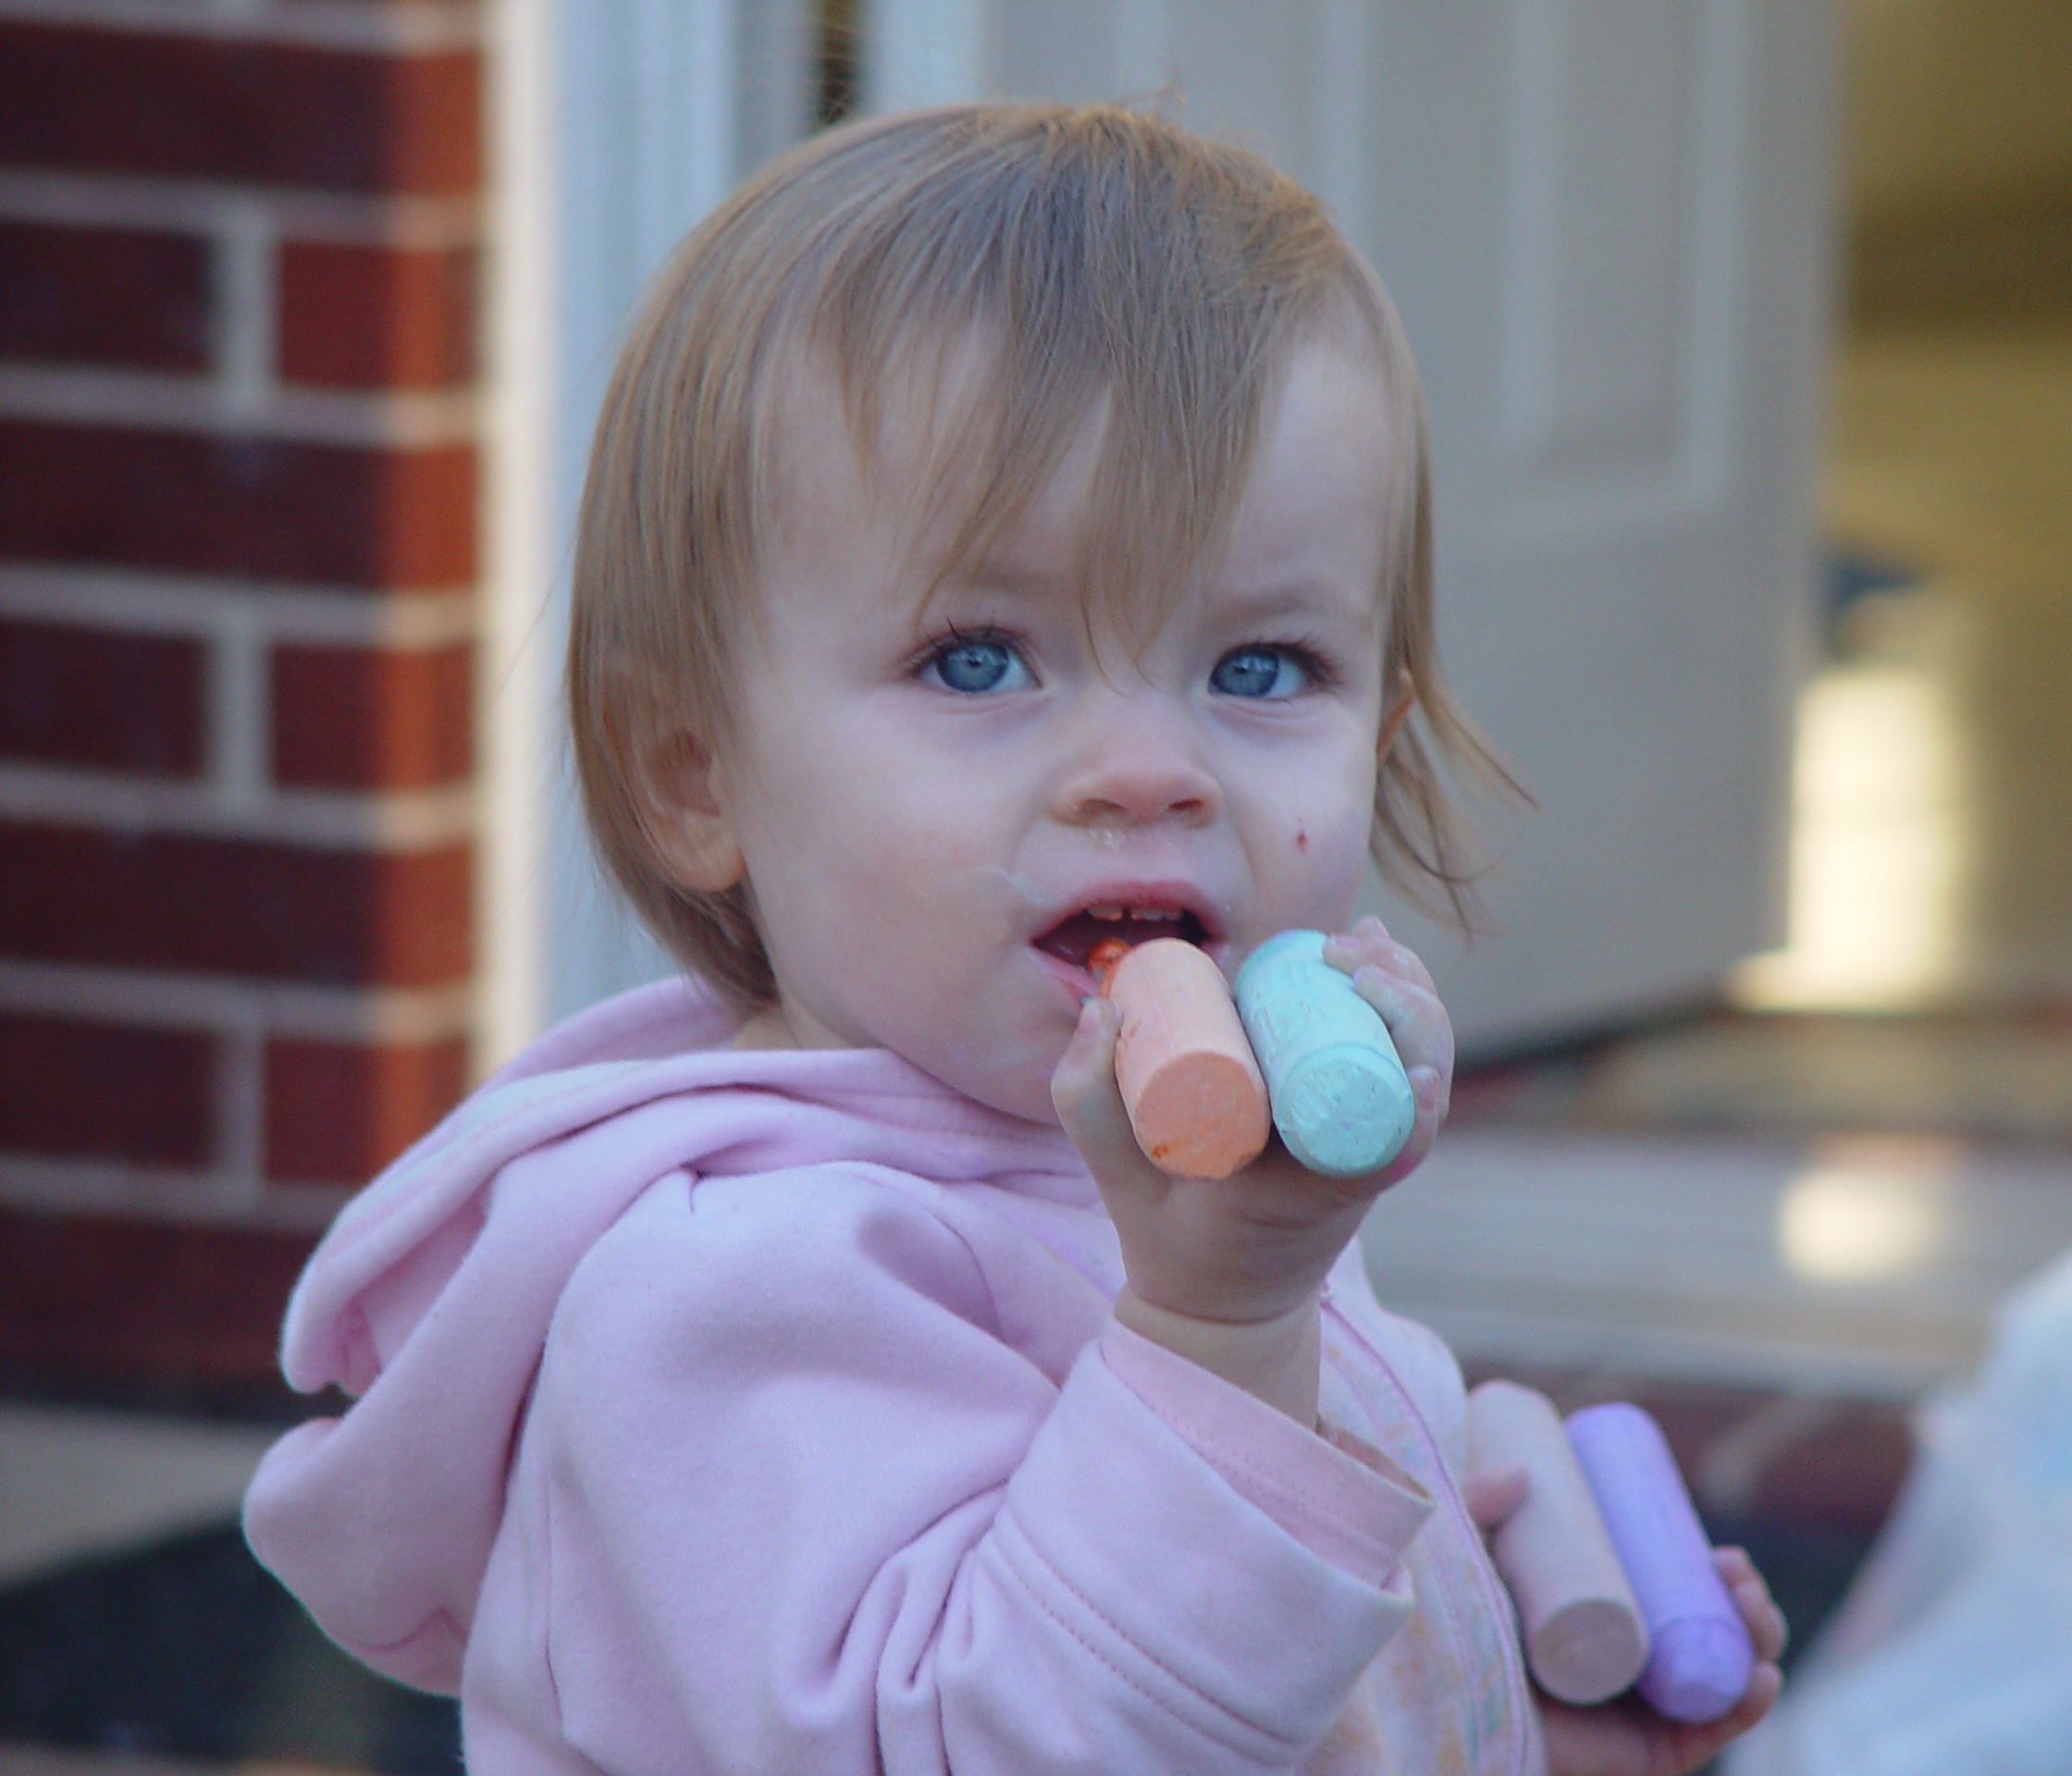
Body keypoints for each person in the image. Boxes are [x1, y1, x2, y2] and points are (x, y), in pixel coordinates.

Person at [243, 103, 1785, 1774]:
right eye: (980, 661)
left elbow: (1229, 1696)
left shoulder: (1185, 1193)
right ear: (696, 775)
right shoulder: (737, 1288)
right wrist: (1218, 1330)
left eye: (1261, 667)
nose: (1149, 771)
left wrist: (1500, 1717)